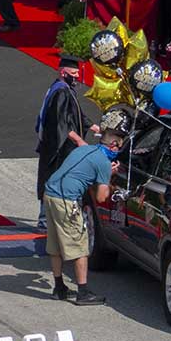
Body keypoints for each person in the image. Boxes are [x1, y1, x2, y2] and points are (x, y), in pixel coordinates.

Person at [43, 127, 125, 304]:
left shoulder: (83, 149)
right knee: (81, 246)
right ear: (113, 145)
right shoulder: (103, 163)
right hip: (66, 200)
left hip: (50, 193)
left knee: (55, 244)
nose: (119, 151)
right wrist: (109, 176)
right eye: (119, 147)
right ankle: (83, 292)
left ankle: (59, 288)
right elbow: (101, 198)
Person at [36, 55, 99, 227]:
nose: (77, 76)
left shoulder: (63, 89)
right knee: (54, 181)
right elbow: (61, 123)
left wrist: (92, 126)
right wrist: (79, 140)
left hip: (60, 147)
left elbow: (75, 113)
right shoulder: (61, 93)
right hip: (58, 149)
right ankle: (44, 221)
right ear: (63, 72)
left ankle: (52, 219)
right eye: (74, 72)